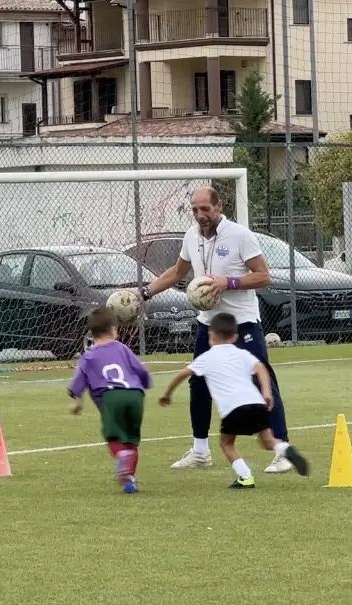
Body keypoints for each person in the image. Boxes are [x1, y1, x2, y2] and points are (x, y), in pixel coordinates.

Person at [136, 186, 292, 473]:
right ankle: (200, 451)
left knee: (262, 379)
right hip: (208, 325)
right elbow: (176, 273)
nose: (200, 215)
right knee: (198, 383)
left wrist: (227, 282)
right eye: (195, 210)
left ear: (219, 206)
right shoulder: (191, 236)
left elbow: (263, 276)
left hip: (242, 323)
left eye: (205, 208)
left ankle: (282, 449)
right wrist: (143, 294)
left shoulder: (240, 235)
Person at [158, 313, 308, 489]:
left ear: (211, 334)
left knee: (226, 443)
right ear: (236, 336)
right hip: (257, 403)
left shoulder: (206, 358)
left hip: (233, 409)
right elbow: (260, 368)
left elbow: (183, 374)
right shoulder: (242, 353)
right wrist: (266, 392)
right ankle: (284, 449)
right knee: (268, 441)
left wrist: (167, 394)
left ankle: (245, 477)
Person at [67, 307, 152, 494]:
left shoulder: (88, 357)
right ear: (114, 329)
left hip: (111, 397)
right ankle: (129, 480)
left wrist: (76, 401)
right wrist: (145, 385)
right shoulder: (123, 349)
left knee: (114, 437)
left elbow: (79, 380)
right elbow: (141, 370)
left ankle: (122, 457)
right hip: (135, 395)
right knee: (131, 440)